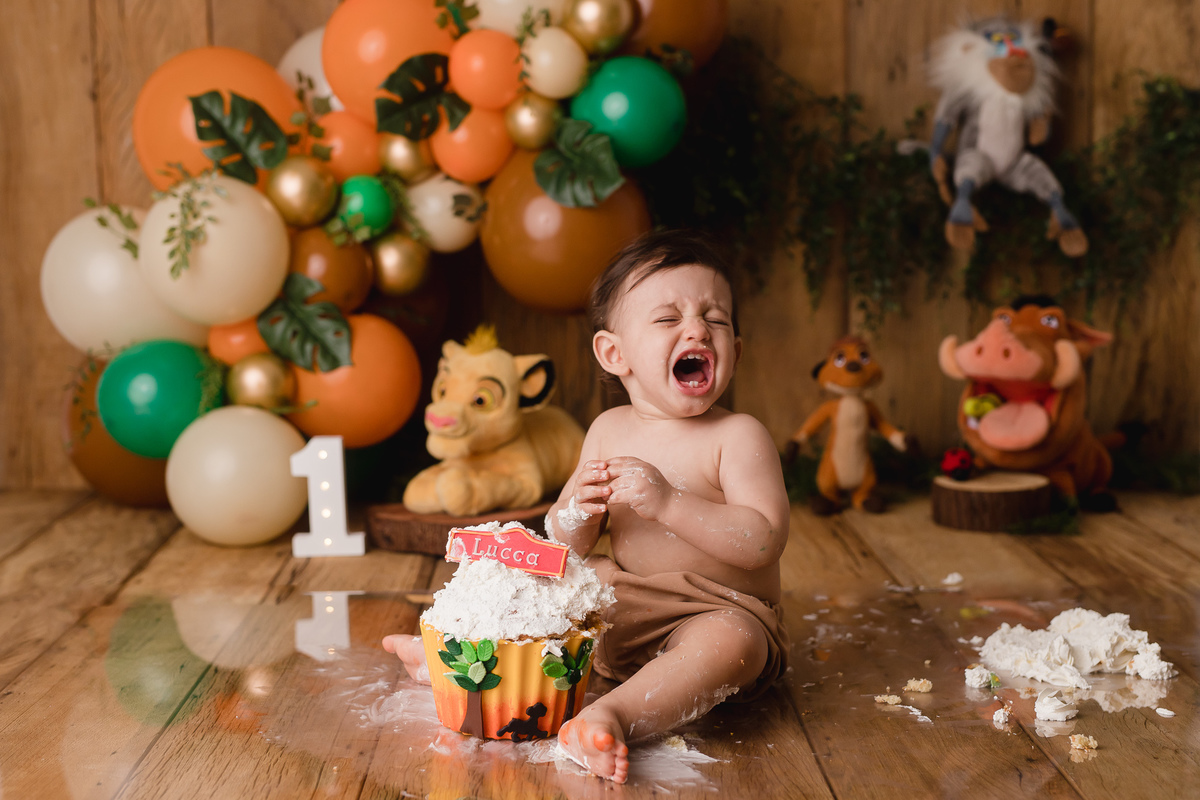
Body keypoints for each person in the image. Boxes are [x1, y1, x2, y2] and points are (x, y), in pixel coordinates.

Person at [385, 230, 790, 784]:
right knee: (561, 584)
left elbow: (764, 539)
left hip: (718, 608)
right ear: (614, 353)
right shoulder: (607, 430)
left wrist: (670, 503)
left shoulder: (738, 436)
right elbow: (563, 545)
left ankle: (613, 714)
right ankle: (457, 659)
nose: (697, 328)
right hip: (624, 599)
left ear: (734, 351)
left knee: (734, 643)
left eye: (715, 319)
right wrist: (575, 510)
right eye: (669, 318)